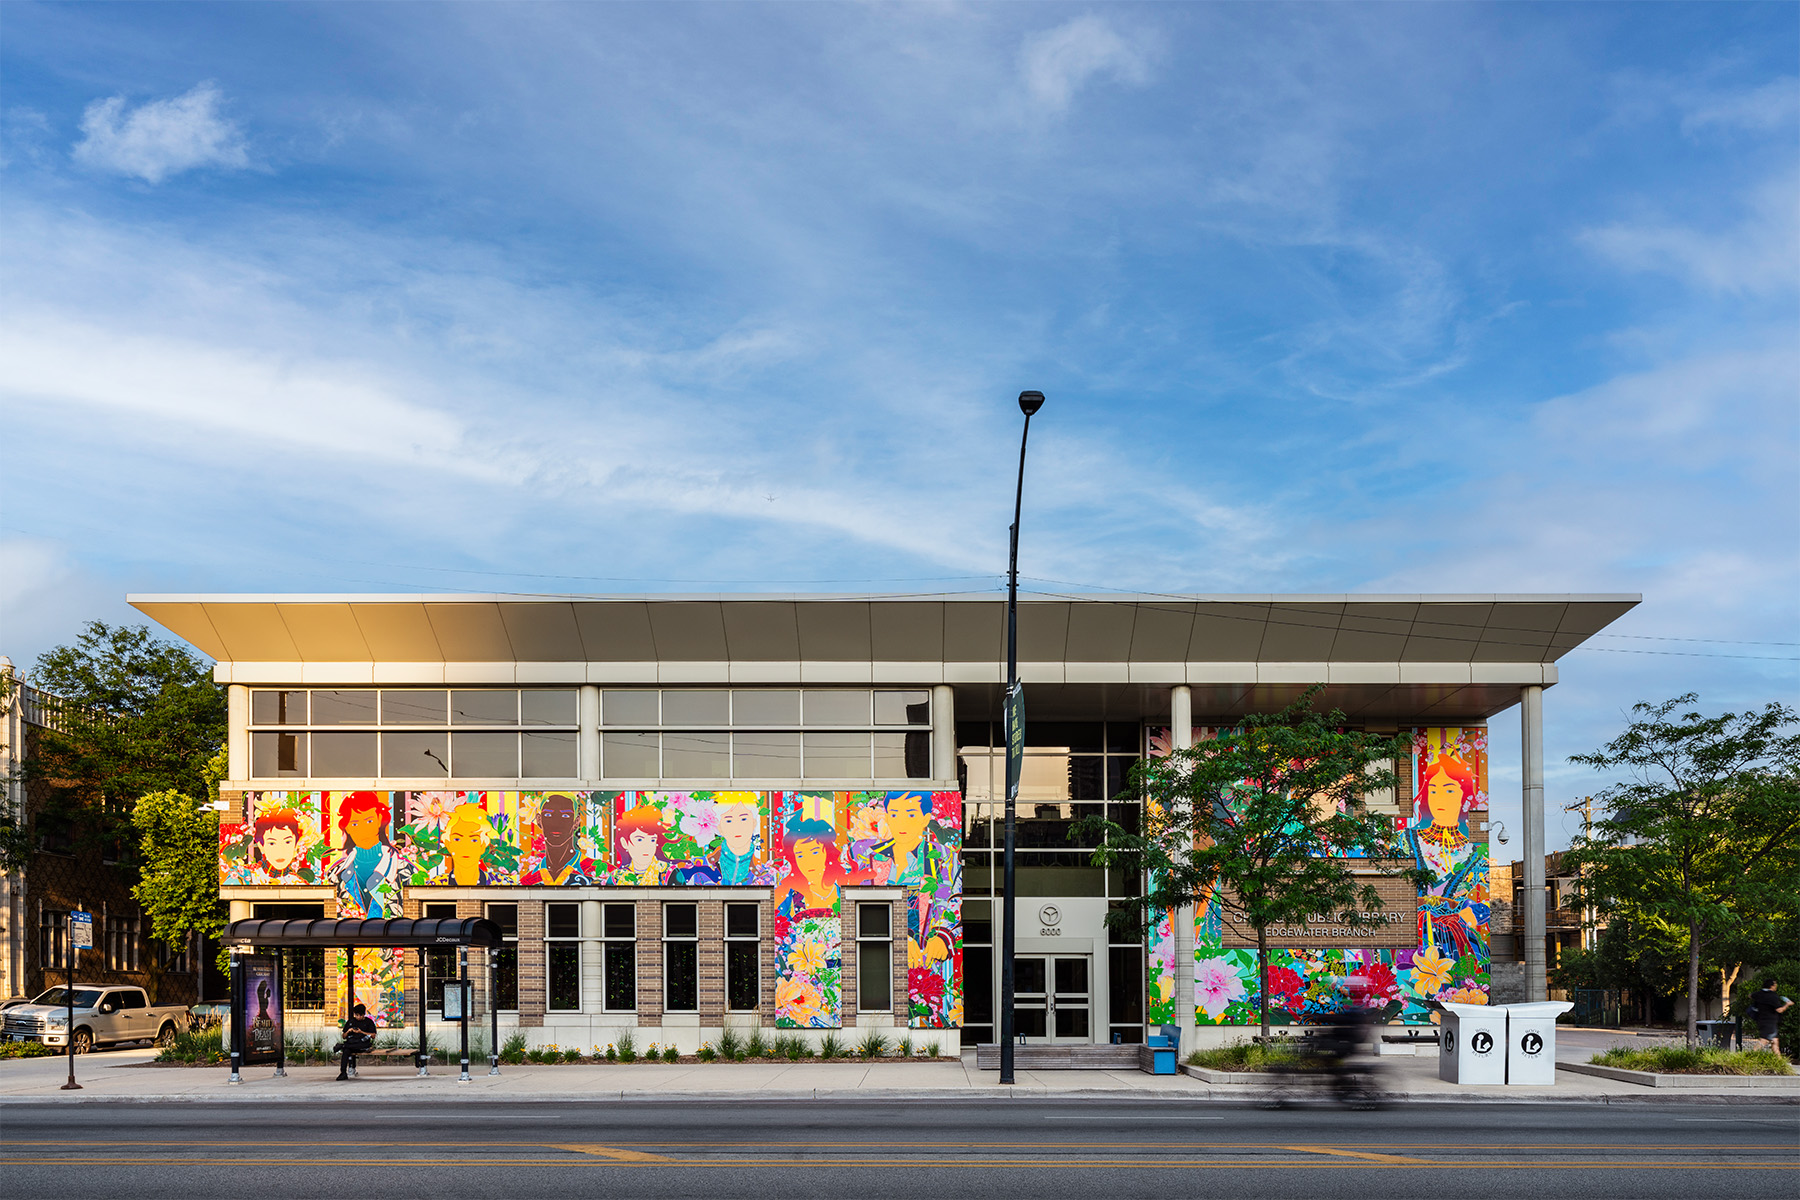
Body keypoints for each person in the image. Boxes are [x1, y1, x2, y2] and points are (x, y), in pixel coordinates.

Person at [1747, 979, 1793, 1055]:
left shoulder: (1758, 994)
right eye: (1775, 985)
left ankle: (1779, 1062)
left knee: (1775, 1042)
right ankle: (1749, 1056)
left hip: (1761, 1019)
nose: (1776, 986)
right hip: (1770, 1022)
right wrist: (1787, 1004)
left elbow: (1750, 995)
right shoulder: (1773, 996)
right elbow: (1779, 1010)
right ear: (1771, 986)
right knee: (1764, 1040)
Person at [335, 1002, 377, 1081]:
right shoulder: (351, 1021)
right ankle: (343, 1072)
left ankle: (342, 1046)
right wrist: (348, 1031)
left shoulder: (368, 1022)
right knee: (346, 1051)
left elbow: (373, 1035)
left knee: (346, 1047)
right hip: (352, 1043)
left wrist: (361, 1032)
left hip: (363, 1044)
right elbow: (344, 1036)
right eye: (356, 1015)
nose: (358, 1017)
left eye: (359, 1015)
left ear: (363, 1014)